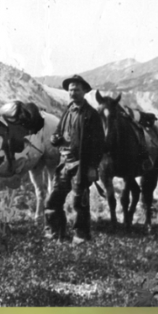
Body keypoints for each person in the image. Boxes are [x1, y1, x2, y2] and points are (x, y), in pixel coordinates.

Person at [45, 74, 105, 243]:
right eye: (71, 90)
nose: (73, 93)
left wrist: (93, 167)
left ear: (85, 91)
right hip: (64, 163)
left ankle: (81, 236)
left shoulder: (91, 115)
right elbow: (57, 132)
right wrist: (55, 138)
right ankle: (55, 232)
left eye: (77, 90)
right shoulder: (68, 112)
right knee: (54, 198)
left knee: (80, 202)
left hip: (82, 165)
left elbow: (99, 144)